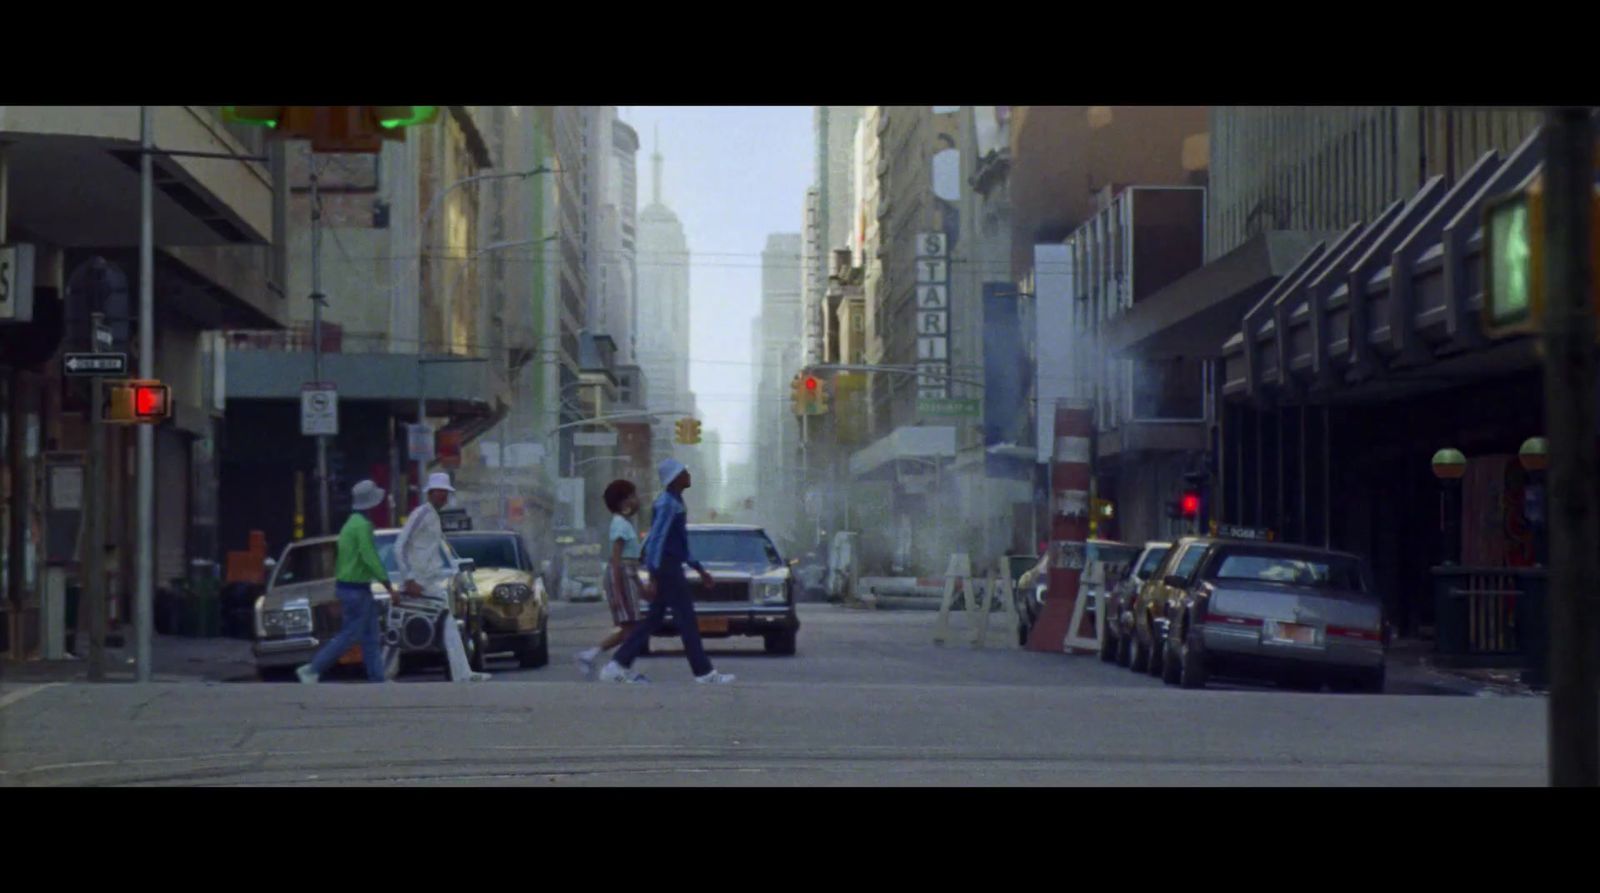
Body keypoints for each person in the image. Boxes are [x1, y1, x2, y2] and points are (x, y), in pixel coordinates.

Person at [600, 459, 736, 685]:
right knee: (687, 620)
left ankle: (618, 664)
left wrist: (699, 570)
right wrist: (654, 573)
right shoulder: (667, 504)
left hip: (670, 565)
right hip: (667, 568)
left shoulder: (674, 502)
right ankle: (704, 673)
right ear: (674, 478)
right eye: (684, 471)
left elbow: (679, 545)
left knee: (654, 620)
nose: (688, 474)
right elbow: (657, 539)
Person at [393, 471, 491, 683]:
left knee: (447, 624)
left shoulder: (434, 516)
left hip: (429, 581)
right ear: (432, 492)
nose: (445, 497)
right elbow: (399, 546)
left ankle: (463, 673)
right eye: (441, 492)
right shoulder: (420, 513)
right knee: (400, 628)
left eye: (446, 493)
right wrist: (409, 578)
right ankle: (383, 674)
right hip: (418, 583)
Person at [297, 480, 395, 684]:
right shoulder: (363, 526)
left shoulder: (350, 524)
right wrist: (388, 584)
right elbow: (370, 557)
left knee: (370, 636)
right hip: (357, 589)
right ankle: (313, 668)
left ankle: (377, 679)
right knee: (351, 634)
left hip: (351, 588)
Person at [575, 479, 650, 677]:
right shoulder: (619, 525)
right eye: (633, 496)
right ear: (624, 502)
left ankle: (594, 656)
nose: (637, 500)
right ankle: (618, 667)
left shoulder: (625, 524)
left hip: (629, 574)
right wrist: (617, 592)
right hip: (622, 575)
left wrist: (641, 588)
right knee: (631, 628)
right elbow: (616, 561)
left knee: (631, 627)